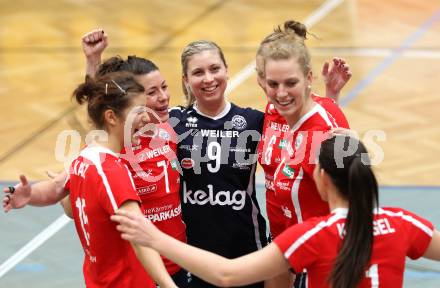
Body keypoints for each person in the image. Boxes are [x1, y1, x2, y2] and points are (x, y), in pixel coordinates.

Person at [111, 134, 440, 288]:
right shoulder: (403, 223)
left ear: (321, 178)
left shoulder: (313, 235)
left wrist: (154, 238)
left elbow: (228, 274)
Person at [4, 72, 177, 287]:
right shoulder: (111, 172)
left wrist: (30, 195)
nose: (145, 118)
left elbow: (55, 189)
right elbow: (141, 237)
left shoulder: (83, 160)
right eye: (138, 111)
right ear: (111, 117)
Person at [256, 20, 351, 287]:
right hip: (282, 243)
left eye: (289, 81)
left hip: (315, 252)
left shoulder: (322, 123)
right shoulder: (273, 109)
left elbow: (349, 191)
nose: (280, 91)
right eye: (271, 81)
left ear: (307, 76)